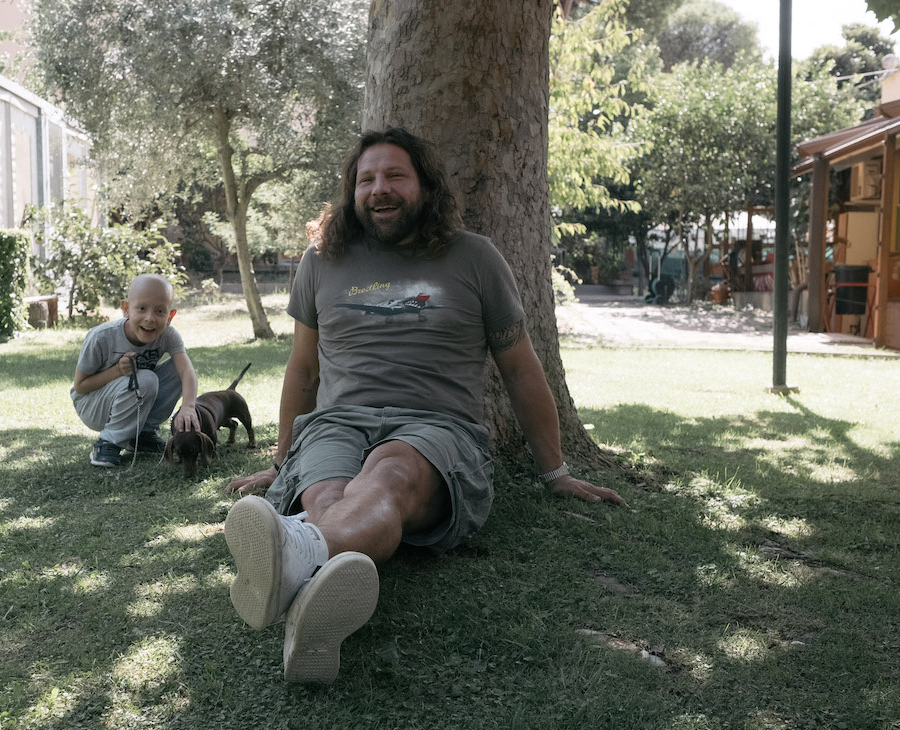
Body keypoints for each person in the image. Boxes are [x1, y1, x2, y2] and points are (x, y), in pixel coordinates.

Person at [223, 127, 626, 684]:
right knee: (324, 492)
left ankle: (294, 553)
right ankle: (308, 603)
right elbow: (303, 370)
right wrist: (279, 462)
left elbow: (520, 367)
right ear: (352, 191)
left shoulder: (475, 258)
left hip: (435, 429)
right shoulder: (321, 261)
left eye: (395, 176)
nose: (379, 189)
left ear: (425, 186)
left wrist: (554, 469)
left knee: (387, 475)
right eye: (367, 179)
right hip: (337, 423)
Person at [71, 274, 199, 467]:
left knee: (178, 369)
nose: (150, 318)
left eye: (159, 311)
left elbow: (187, 371)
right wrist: (116, 372)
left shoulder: (168, 336)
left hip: (132, 397)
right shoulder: (101, 337)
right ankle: (108, 443)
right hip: (92, 404)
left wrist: (189, 406)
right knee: (146, 379)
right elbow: (80, 387)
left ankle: (142, 433)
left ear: (170, 316)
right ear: (125, 309)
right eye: (141, 308)